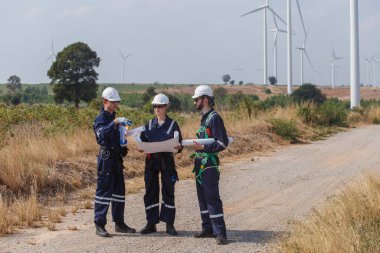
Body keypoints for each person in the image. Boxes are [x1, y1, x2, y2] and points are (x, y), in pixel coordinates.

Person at [93, 87, 136, 237]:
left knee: (119, 193)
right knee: (104, 193)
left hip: (116, 160)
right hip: (105, 160)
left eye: (116, 102)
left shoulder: (114, 119)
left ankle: (119, 223)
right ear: (105, 102)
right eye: (113, 102)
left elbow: (117, 138)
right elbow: (101, 136)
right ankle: (99, 224)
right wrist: (115, 123)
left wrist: (123, 146)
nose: (116, 104)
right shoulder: (101, 119)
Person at [189, 85, 229, 245]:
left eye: (196, 99)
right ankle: (207, 228)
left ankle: (220, 233)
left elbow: (223, 143)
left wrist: (203, 148)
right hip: (200, 165)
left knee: (212, 198)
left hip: (210, 165)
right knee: (202, 198)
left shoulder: (215, 118)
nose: (195, 103)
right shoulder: (204, 118)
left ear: (205, 99)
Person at [139, 93, 183, 236]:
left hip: (167, 162)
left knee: (168, 192)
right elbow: (142, 141)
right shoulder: (149, 124)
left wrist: (178, 147)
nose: (157, 109)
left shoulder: (173, 124)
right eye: (155, 106)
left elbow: (180, 143)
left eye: (160, 106)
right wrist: (141, 147)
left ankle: (169, 224)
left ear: (166, 107)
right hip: (151, 161)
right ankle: (151, 223)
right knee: (150, 191)